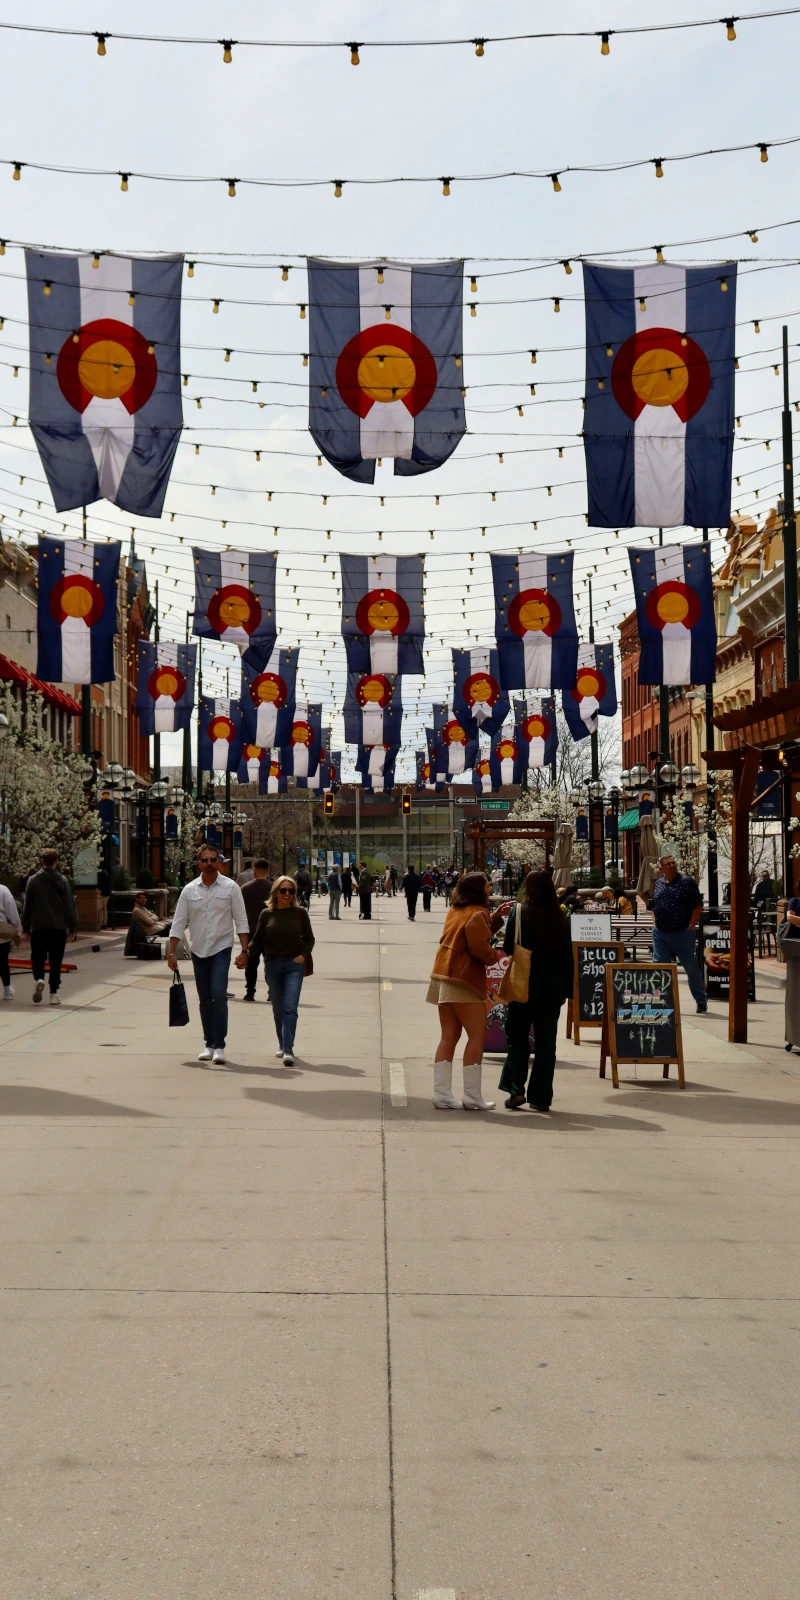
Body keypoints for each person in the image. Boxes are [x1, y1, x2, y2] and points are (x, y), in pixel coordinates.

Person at [426, 871, 510, 1111]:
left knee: (448, 1036)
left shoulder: (456, 909)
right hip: (464, 981)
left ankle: (441, 1094)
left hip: (443, 977)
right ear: (478, 890)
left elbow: (472, 931)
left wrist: (494, 917)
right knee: (477, 1036)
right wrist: (494, 955)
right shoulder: (478, 913)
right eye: (487, 885)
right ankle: (472, 1096)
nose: (491, 888)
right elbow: (479, 948)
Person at [498, 871, 575, 1112]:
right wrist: (567, 990)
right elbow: (567, 956)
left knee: (517, 1037)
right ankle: (541, 1096)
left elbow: (509, 946)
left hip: (524, 983)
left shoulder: (519, 912)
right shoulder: (560, 916)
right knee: (546, 1043)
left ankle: (516, 1089)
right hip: (552, 988)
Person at [168, 844, 249, 1065]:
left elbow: (241, 921)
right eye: (205, 860)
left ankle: (220, 1045)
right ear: (199, 863)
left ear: (219, 862)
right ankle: (209, 1044)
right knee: (205, 999)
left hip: (221, 948)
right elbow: (178, 923)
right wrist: (171, 953)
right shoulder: (189, 890)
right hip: (198, 950)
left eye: (213, 860)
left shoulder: (231, 888)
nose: (209, 864)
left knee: (218, 994)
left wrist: (244, 950)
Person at [245, 875, 315, 1064]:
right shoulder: (266, 914)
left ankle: (288, 1049)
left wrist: (302, 956)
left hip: (294, 965)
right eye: (283, 890)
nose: (287, 894)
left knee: (290, 1008)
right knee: (277, 1008)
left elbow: (309, 938)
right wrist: (245, 954)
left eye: (291, 891)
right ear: (275, 892)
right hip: (273, 964)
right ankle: (282, 1043)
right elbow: (257, 940)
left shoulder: (300, 912)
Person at [651, 853, 708, 1014]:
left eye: (673, 863)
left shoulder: (686, 882)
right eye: (668, 864)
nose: (672, 866)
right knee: (660, 968)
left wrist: (691, 925)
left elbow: (697, 906)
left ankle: (701, 1000)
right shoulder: (659, 884)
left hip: (682, 933)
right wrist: (654, 923)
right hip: (660, 933)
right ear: (661, 868)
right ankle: (660, 1001)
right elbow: (654, 906)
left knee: (691, 967)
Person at [21, 849, 78, 1006]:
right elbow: (69, 906)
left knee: (37, 957)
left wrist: (26, 926)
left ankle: (39, 978)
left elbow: (28, 906)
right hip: (58, 928)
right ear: (56, 862)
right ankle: (53, 993)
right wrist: (72, 927)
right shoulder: (63, 881)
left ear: (42, 861)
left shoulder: (33, 880)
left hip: (39, 927)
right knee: (56, 961)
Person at [241, 860, 274, 1001]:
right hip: (270, 931)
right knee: (271, 962)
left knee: (251, 964)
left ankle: (250, 991)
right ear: (268, 871)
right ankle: (272, 991)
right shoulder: (274, 888)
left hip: (251, 930)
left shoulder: (245, 888)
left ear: (254, 871)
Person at [0, 881, 21, 1000]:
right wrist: (17, 931)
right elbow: (13, 914)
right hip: (2, 933)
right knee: (2, 962)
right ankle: (7, 990)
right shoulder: (3, 890)